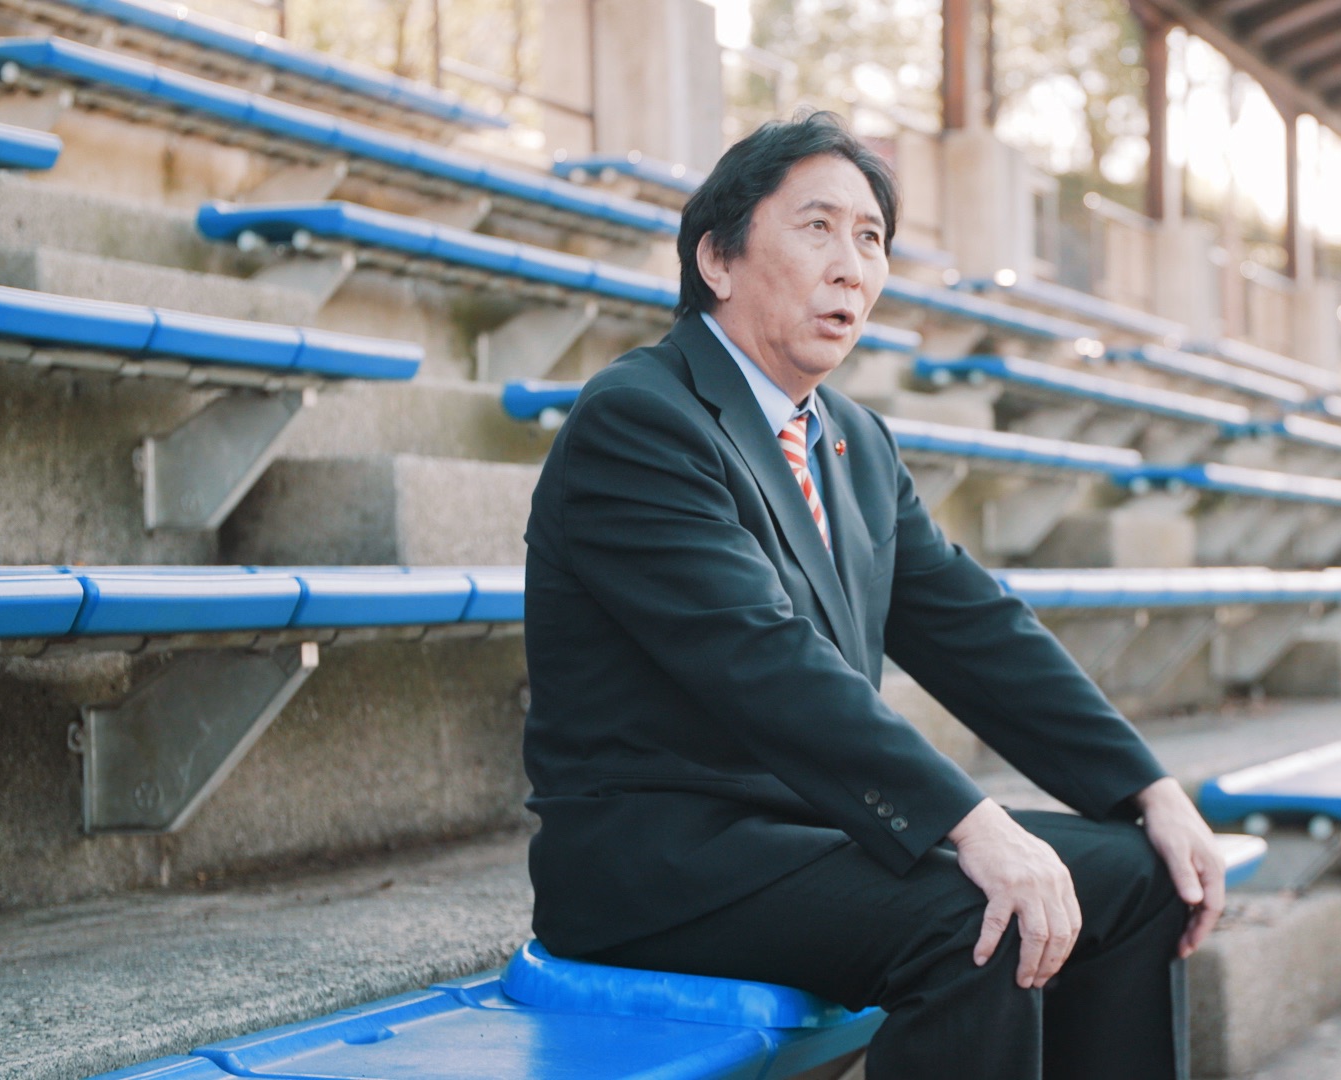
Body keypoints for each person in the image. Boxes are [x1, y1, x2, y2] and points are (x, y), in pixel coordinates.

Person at [521, 110, 1228, 1080]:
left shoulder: (850, 439)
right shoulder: (641, 421)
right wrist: (974, 825)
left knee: (1143, 877)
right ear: (717, 259)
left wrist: (1149, 791)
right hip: (665, 863)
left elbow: (977, 630)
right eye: (817, 228)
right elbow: (763, 661)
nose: (851, 267)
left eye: (870, 239)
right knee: (981, 920)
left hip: (810, 834)